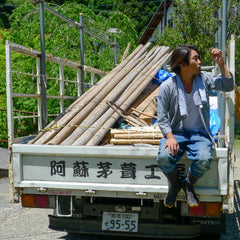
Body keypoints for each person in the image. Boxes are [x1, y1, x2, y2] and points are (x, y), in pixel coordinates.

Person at [156, 45, 234, 208]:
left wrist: (221, 64)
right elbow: (162, 117)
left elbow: (228, 86)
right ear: (183, 65)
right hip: (176, 132)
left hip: (199, 134)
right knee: (163, 158)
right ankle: (175, 185)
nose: (200, 62)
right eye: (195, 58)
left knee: (205, 158)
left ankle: (188, 184)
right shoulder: (167, 86)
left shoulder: (204, 78)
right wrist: (169, 137)